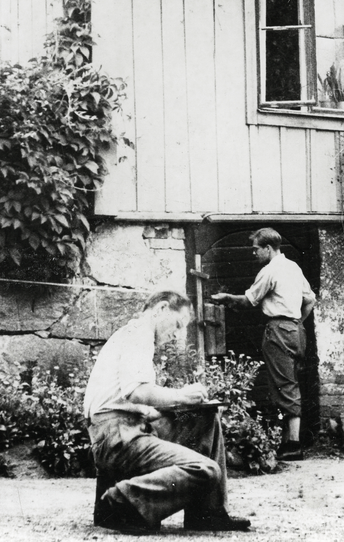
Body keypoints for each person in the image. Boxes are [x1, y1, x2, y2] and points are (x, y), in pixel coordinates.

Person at [83, 291, 251, 534]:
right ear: (161, 309)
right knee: (205, 470)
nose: (177, 334)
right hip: (118, 438)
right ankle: (122, 500)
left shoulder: (131, 335)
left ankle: (207, 512)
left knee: (203, 418)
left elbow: (125, 400)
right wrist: (181, 396)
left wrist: (180, 409)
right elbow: (137, 391)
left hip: (118, 431)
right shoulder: (139, 333)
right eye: (178, 324)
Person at [210, 228, 316, 461]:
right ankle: (288, 441)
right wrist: (298, 322)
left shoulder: (270, 271)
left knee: (285, 385)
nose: (254, 253)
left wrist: (226, 298)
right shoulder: (293, 267)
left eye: (256, 249)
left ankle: (294, 445)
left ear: (268, 248)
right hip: (296, 331)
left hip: (278, 330)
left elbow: (249, 301)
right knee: (289, 381)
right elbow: (310, 300)